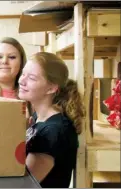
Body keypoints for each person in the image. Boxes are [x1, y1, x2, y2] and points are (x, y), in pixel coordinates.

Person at [18, 52, 84, 188]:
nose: (21, 81)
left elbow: (24, 185)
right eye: (23, 74)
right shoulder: (37, 118)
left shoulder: (53, 131)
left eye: (31, 78)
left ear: (52, 88)